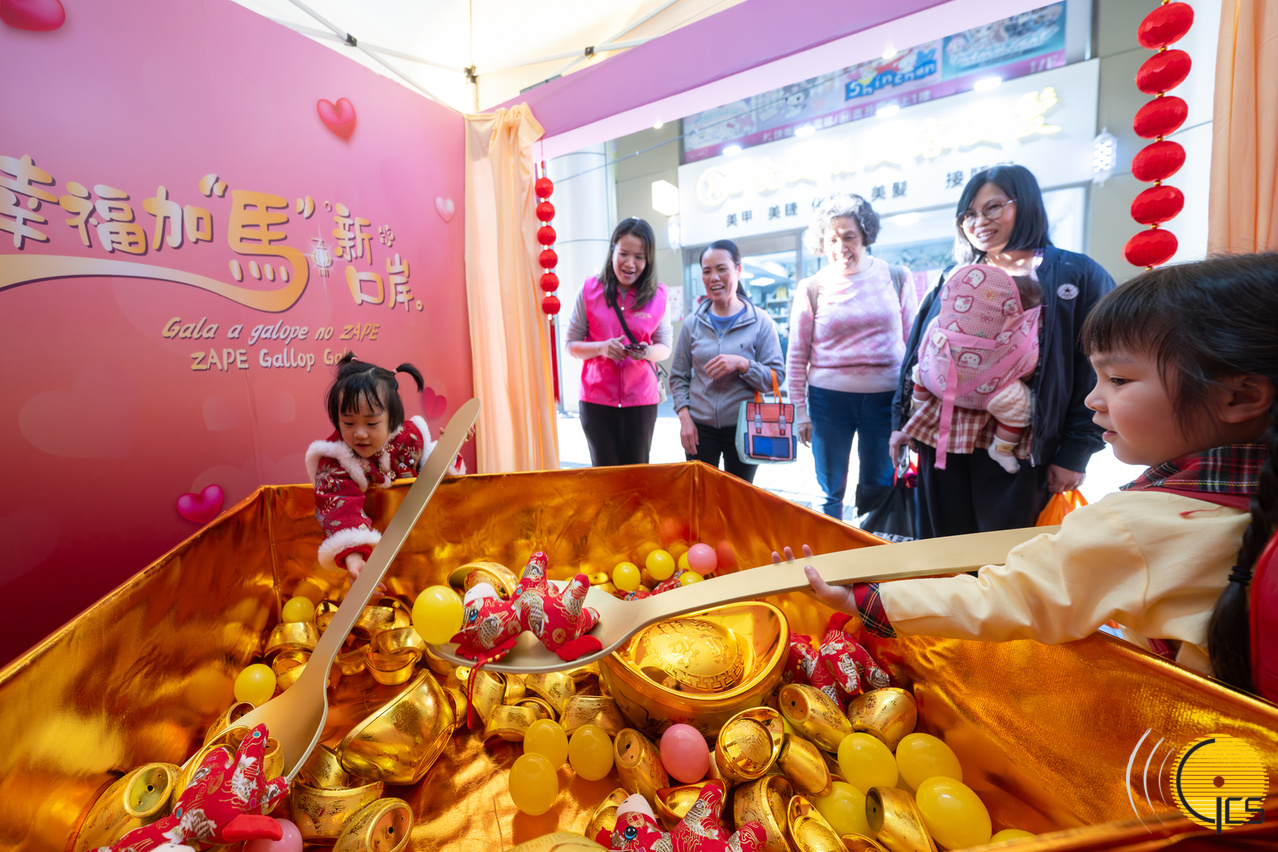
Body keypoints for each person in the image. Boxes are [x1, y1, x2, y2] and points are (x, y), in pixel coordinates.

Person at [802, 253, 1278, 692]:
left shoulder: (1136, 526)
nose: (1092, 399)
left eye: (1118, 379)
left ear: (1240, 397)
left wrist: (866, 600)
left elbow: (1009, 596)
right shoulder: (1250, 492)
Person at [890, 165, 1116, 537]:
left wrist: (1075, 452)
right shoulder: (952, 275)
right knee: (941, 549)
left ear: (1024, 204)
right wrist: (900, 424)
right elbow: (919, 352)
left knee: (1008, 552)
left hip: (1020, 447)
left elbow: (1094, 368)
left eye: (993, 207)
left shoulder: (1075, 275)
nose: (979, 221)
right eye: (969, 214)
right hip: (941, 440)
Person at [787, 194, 918, 519]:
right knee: (828, 490)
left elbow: (914, 348)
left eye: (849, 237)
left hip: (886, 400)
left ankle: (871, 546)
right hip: (828, 401)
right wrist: (800, 411)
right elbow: (797, 354)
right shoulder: (812, 286)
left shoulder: (897, 276)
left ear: (865, 236)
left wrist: (914, 406)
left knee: (879, 485)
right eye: (832, 239)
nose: (840, 247)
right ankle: (829, 546)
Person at [306, 353, 465, 581]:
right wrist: (354, 559)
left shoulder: (409, 437)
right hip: (371, 557)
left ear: (392, 419)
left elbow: (432, 473)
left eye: (371, 423)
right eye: (348, 423)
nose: (360, 433)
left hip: (419, 545)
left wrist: (450, 447)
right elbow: (340, 507)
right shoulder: (335, 460)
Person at [669, 240, 786, 483]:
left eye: (721, 269)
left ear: (738, 270)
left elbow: (776, 377)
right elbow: (678, 376)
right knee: (701, 495)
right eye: (707, 271)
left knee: (738, 497)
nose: (714, 277)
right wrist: (685, 418)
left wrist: (743, 364)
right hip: (699, 428)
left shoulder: (760, 321)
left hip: (745, 426)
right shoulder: (692, 323)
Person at [566, 217, 673, 466]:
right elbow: (571, 345)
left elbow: (665, 347)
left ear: (648, 260)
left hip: (641, 401)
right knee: (605, 474)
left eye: (639, 257)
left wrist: (647, 351)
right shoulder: (588, 290)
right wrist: (601, 348)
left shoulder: (658, 296)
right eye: (624, 253)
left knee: (636, 474)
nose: (630, 263)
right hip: (596, 400)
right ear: (613, 249)